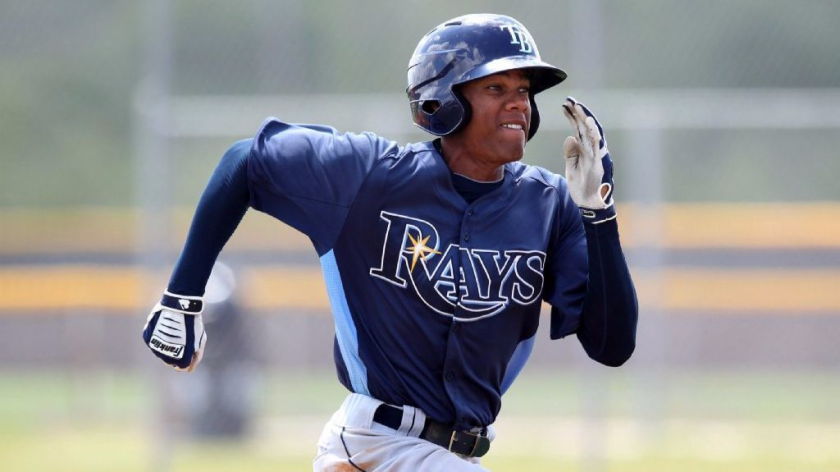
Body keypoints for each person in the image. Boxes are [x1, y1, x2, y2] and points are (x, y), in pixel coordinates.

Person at [142, 13, 638, 471]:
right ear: (441, 100)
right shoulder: (370, 176)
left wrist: (599, 215)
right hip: (376, 444)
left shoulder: (550, 205)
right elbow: (245, 163)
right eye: (496, 86)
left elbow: (612, 346)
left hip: (457, 455)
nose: (519, 102)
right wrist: (181, 297)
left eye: (524, 90)